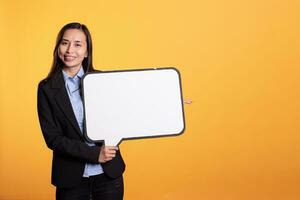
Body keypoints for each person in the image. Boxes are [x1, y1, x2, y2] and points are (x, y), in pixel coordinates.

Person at [37, 22, 125, 200]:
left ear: (87, 52)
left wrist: (168, 103)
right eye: (65, 43)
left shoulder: (102, 81)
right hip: (70, 179)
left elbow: (127, 109)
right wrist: (94, 154)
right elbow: (53, 138)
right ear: (58, 47)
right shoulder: (46, 88)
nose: (70, 50)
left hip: (109, 176)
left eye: (78, 44)